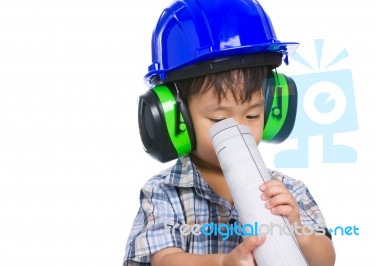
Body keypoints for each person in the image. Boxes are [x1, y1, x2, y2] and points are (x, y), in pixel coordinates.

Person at [124, 0, 336, 265]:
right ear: (175, 118)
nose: (238, 129)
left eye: (253, 115)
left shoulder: (289, 191)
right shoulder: (163, 193)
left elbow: (325, 260)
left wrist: (297, 230)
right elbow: (165, 259)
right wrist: (223, 263)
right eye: (218, 118)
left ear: (273, 113)